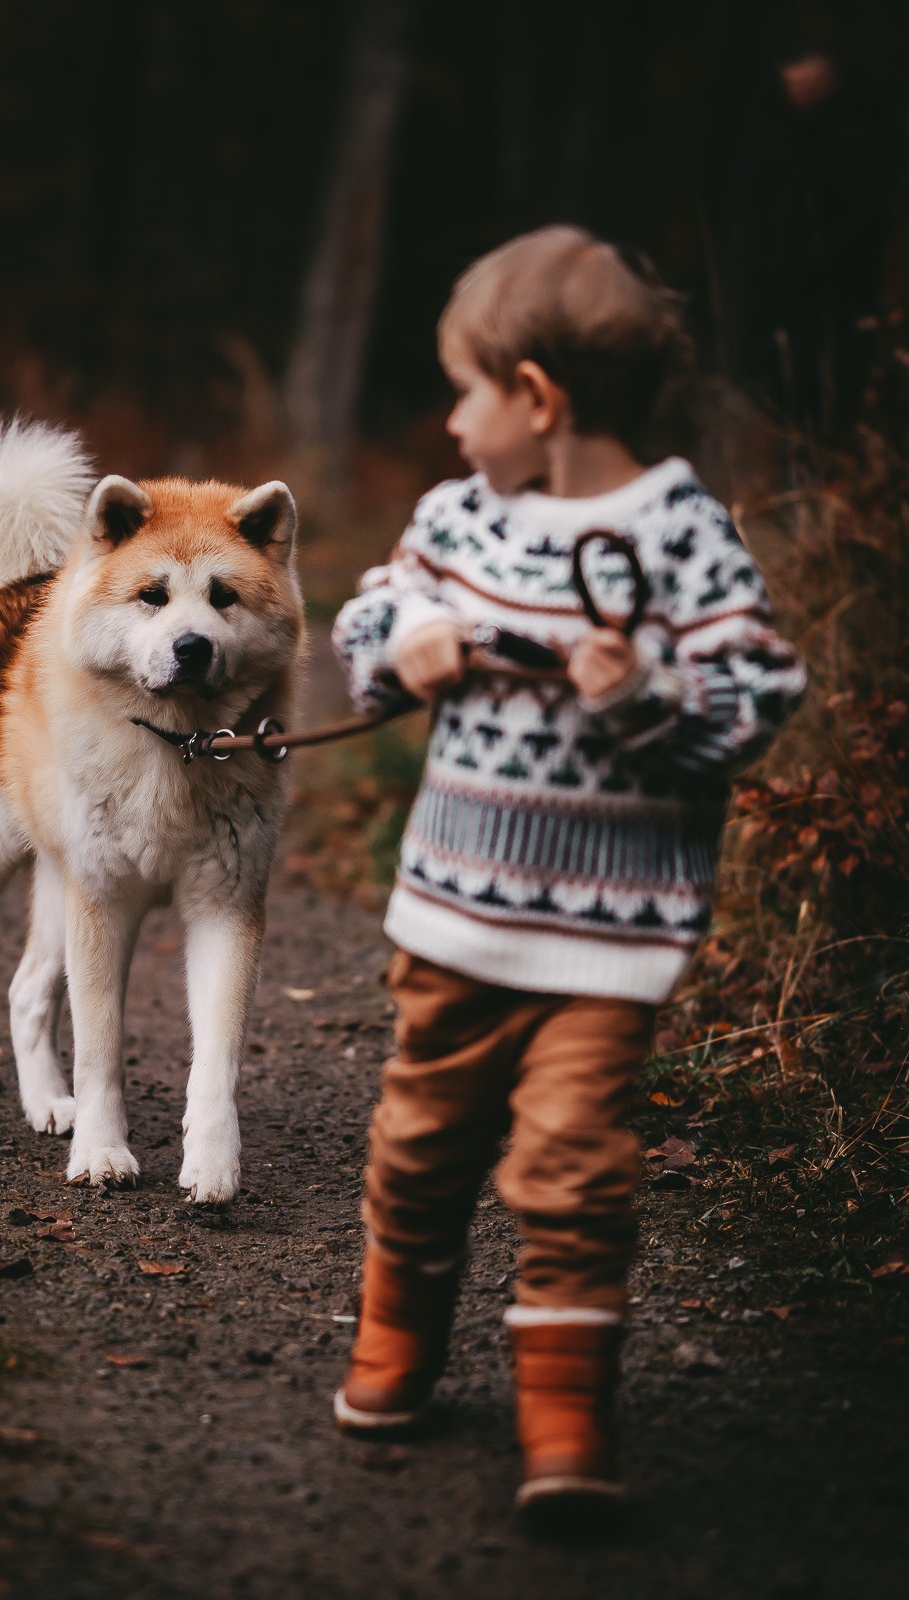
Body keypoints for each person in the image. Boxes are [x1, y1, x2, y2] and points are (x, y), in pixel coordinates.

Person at [329, 226, 806, 1515]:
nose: (450, 418)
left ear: (536, 399)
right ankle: (400, 1339)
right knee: (420, 1146)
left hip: (608, 939)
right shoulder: (457, 520)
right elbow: (370, 615)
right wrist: (412, 637)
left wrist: (648, 690)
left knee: (576, 1171)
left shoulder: (678, 531)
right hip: (457, 917)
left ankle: (563, 1418)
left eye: (465, 390)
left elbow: (762, 694)